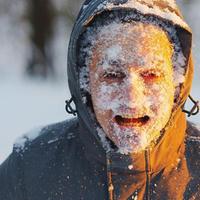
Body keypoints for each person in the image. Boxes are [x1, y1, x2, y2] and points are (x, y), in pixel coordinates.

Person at [0, 0, 200, 199]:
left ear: (177, 83)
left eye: (151, 75)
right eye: (112, 75)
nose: (132, 99)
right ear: (85, 83)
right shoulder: (29, 169)